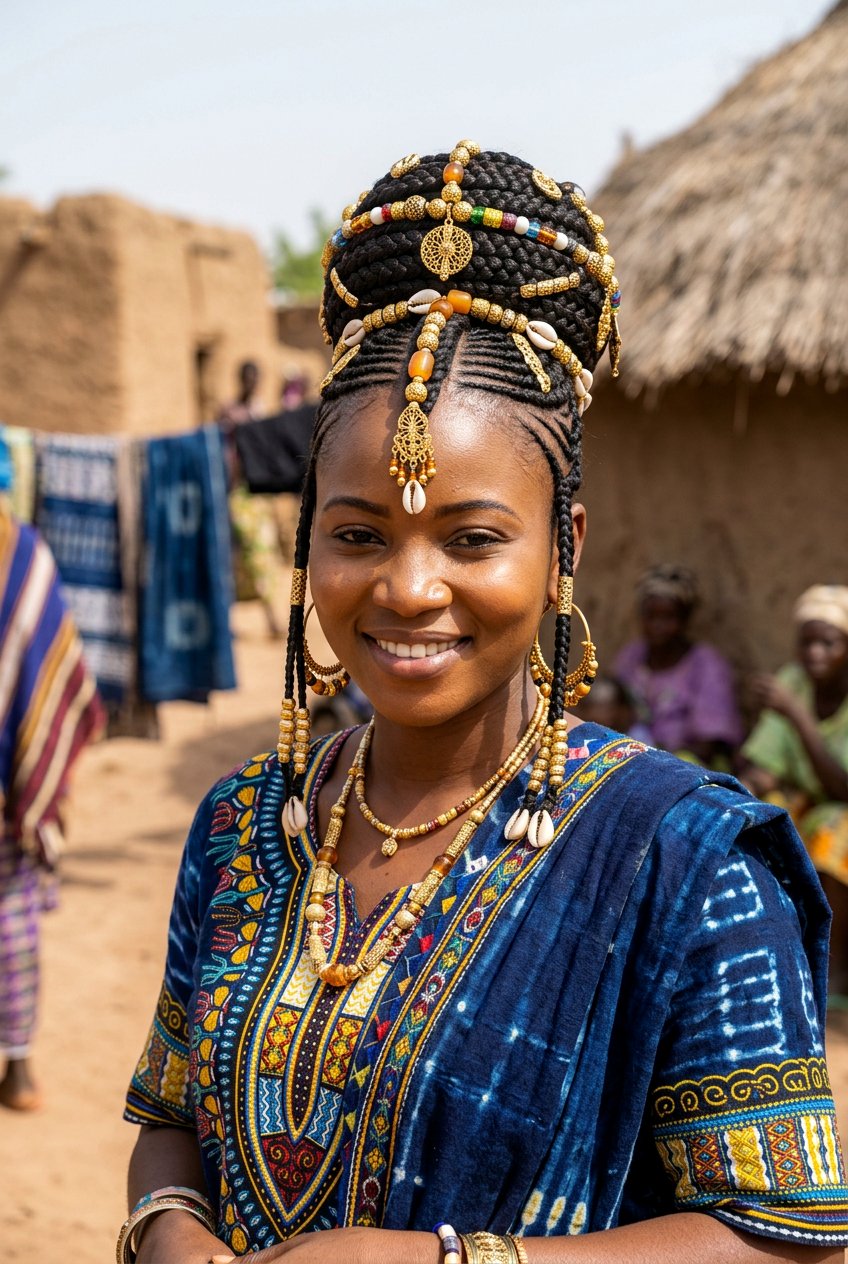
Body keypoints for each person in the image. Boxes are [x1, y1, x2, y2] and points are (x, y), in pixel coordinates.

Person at [121, 143, 848, 1264]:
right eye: (357, 534)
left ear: (564, 548)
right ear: (308, 541)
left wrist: (433, 1261)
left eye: (470, 539)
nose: (408, 589)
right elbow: (172, 1112)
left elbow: (788, 1237)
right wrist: (166, 1226)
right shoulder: (243, 825)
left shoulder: (688, 864)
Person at [0, 477, 104, 1110]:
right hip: (8, 784)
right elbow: (54, 667)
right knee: (11, 920)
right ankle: (18, 1068)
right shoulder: (23, 554)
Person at [740, 585, 848, 1002]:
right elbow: (767, 764)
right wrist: (748, 789)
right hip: (805, 801)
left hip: (839, 806)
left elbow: (841, 788)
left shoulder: (793, 699)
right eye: (807, 642)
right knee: (762, 823)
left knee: (833, 832)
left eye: (829, 643)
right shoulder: (793, 681)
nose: (815, 653)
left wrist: (798, 716)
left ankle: (835, 969)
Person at [613, 564, 743, 765]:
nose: (658, 626)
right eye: (651, 616)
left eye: (668, 617)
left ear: (685, 620)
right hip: (632, 763)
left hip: (689, 767)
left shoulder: (706, 666)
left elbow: (708, 745)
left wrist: (656, 756)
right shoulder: (631, 658)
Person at [217, 361, 284, 640]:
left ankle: (271, 620)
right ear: (240, 379)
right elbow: (222, 452)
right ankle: (227, 622)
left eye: (255, 379)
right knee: (236, 556)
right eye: (248, 378)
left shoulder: (259, 412)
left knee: (262, 554)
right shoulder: (228, 413)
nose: (252, 383)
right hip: (236, 493)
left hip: (257, 494)